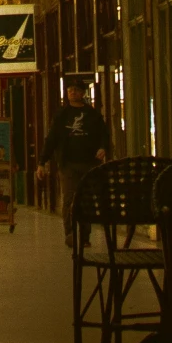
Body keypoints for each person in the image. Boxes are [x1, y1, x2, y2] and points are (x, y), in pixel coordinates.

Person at [39, 77, 111, 241]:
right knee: (69, 198)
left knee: (85, 199)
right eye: (70, 89)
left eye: (76, 90)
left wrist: (103, 147)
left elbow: (104, 134)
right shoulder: (62, 115)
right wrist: (42, 162)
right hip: (68, 164)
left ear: (83, 93)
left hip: (89, 163)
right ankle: (70, 233)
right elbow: (52, 139)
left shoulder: (92, 114)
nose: (72, 92)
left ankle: (85, 234)